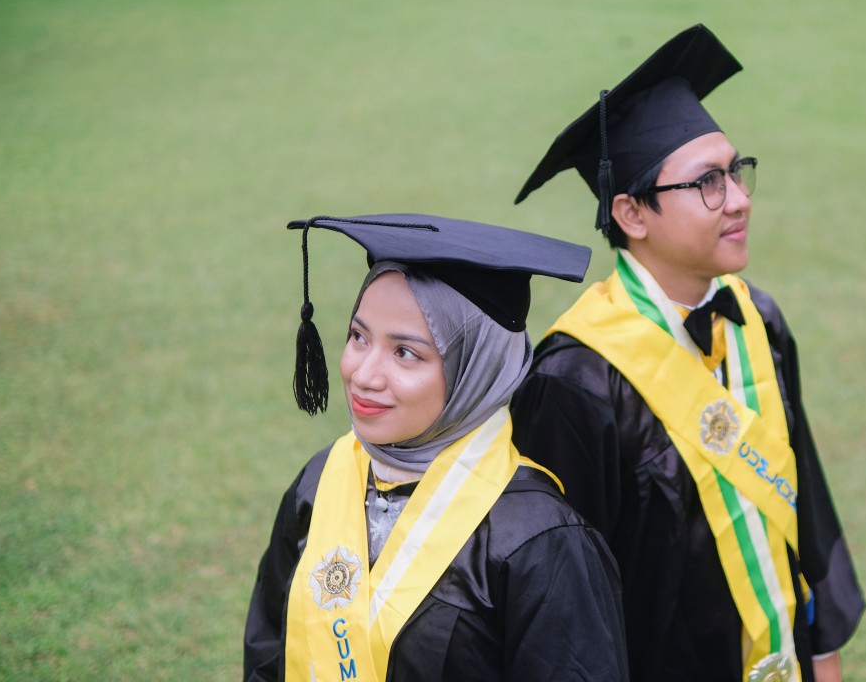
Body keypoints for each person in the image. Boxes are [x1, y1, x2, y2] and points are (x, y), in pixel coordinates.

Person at [509, 25, 866, 682]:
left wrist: (823, 654)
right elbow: (562, 599)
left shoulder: (758, 318)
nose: (740, 199)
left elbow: (804, 498)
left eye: (736, 171)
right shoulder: (576, 379)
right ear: (631, 214)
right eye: (708, 183)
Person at [244, 213, 629, 682]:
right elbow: (269, 652)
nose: (363, 374)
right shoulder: (322, 479)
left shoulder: (539, 540)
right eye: (358, 337)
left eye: (405, 352)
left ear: (476, 370)